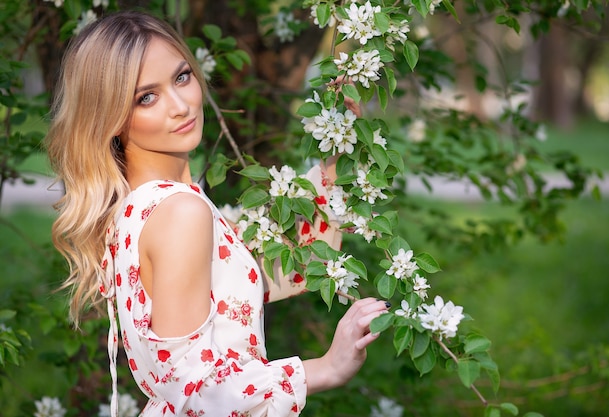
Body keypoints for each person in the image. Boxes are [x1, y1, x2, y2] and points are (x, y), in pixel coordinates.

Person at [46, 10, 389, 417]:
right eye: (146, 97)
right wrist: (326, 368)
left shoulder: (138, 208)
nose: (180, 105)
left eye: (181, 77)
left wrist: (337, 164)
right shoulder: (178, 212)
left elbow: (242, 296)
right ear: (112, 119)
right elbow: (199, 392)